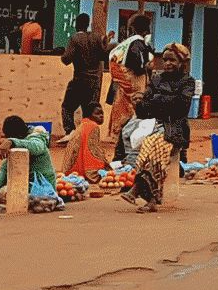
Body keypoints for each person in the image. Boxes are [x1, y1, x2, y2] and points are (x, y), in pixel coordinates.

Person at [121, 44, 195, 212]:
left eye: (172, 60)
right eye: (165, 60)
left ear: (182, 63)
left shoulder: (187, 82)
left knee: (155, 146)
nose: (168, 63)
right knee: (148, 144)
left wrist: (155, 100)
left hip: (174, 129)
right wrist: (139, 103)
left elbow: (181, 107)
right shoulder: (156, 79)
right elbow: (145, 109)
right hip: (154, 126)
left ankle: (146, 194)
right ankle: (148, 196)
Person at [57, 14, 114, 141]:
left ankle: (70, 131)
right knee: (89, 110)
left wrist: (63, 54)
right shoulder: (96, 37)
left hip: (79, 79)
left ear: (76, 24)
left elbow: (66, 59)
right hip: (94, 81)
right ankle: (89, 135)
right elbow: (104, 56)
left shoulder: (75, 38)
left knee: (67, 106)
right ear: (88, 24)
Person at [0, 115, 56, 203]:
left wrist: (12, 141)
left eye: (9, 137)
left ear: (18, 135)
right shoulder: (17, 144)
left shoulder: (36, 138)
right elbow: (5, 169)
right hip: (26, 185)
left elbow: (36, 147)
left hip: (43, 186)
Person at [107, 14, 153, 143]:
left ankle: (117, 134)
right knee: (135, 107)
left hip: (123, 82)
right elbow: (139, 63)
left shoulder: (127, 43)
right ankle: (132, 135)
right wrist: (145, 67)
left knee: (121, 106)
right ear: (146, 30)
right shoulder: (138, 43)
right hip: (134, 81)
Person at [61, 102, 111, 180]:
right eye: (97, 114)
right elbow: (93, 151)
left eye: (102, 113)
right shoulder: (93, 126)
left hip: (70, 170)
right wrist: (106, 164)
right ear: (89, 115)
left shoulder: (83, 124)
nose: (101, 116)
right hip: (80, 169)